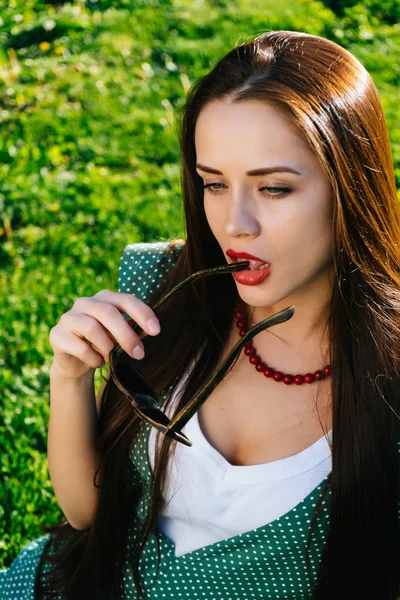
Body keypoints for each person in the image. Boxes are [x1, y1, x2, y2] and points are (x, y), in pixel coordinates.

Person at [1, 28, 399, 600]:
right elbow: (88, 514)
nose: (235, 223)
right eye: (213, 183)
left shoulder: (389, 384)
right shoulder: (163, 298)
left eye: (275, 189)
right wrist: (69, 376)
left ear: (349, 190)